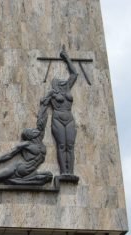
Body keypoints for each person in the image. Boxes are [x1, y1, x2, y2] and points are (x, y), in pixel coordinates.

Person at [40, 47, 79, 176]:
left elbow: (75, 74)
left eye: (63, 83)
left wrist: (66, 58)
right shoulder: (52, 93)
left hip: (69, 118)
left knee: (70, 146)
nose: (62, 83)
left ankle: (71, 172)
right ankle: (64, 172)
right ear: (55, 84)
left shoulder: (67, 88)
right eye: (59, 83)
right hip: (57, 119)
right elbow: (43, 104)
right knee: (62, 145)